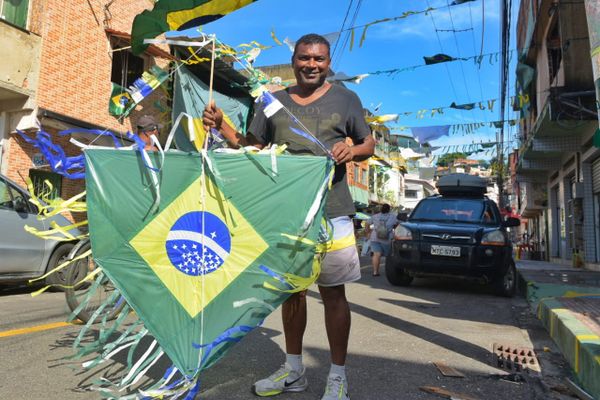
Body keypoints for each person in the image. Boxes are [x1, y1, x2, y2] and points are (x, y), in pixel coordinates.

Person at [203, 33, 375, 400]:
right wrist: (222, 126)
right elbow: (252, 148)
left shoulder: (347, 99)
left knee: (333, 294)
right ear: (293, 59)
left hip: (333, 212)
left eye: (319, 59)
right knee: (291, 293)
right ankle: (294, 371)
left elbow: (368, 144)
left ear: (328, 63)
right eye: (304, 58)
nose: (311, 64)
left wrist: (352, 148)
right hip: (285, 214)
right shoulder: (272, 103)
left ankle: (338, 377)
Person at [365, 204, 397, 276]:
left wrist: (368, 233)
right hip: (387, 239)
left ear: (381, 209)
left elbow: (367, 224)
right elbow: (397, 225)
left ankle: (375, 272)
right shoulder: (393, 217)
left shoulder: (375, 216)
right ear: (389, 209)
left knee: (376, 254)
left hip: (375, 238)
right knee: (389, 256)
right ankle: (390, 272)